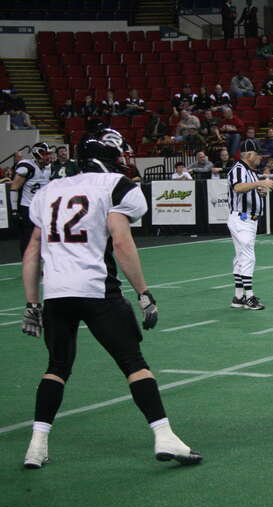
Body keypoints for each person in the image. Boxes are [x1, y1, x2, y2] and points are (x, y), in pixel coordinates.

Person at [19, 132, 202, 469]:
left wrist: (32, 304)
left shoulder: (48, 191)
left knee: (57, 368)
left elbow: (32, 252)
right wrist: (144, 292)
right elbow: (120, 242)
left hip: (57, 293)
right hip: (97, 288)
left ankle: (37, 444)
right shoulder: (114, 185)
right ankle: (165, 436)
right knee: (133, 363)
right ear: (111, 156)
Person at [227, 151, 273, 310]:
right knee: (248, 257)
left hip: (248, 219)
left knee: (241, 256)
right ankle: (249, 298)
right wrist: (260, 183)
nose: (261, 158)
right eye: (258, 154)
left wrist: (261, 191)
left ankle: (238, 297)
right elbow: (238, 187)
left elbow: (250, 191)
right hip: (242, 219)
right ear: (249, 155)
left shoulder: (251, 172)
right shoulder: (239, 168)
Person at [10, 143, 53, 256]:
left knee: (46, 237)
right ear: (37, 154)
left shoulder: (49, 168)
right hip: (27, 208)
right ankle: (27, 263)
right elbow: (14, 188)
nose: (48, 157)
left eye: (48, 154)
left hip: (43, 208)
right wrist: (14, 210)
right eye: (44, 154)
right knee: (28, 239)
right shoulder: (26, 167)